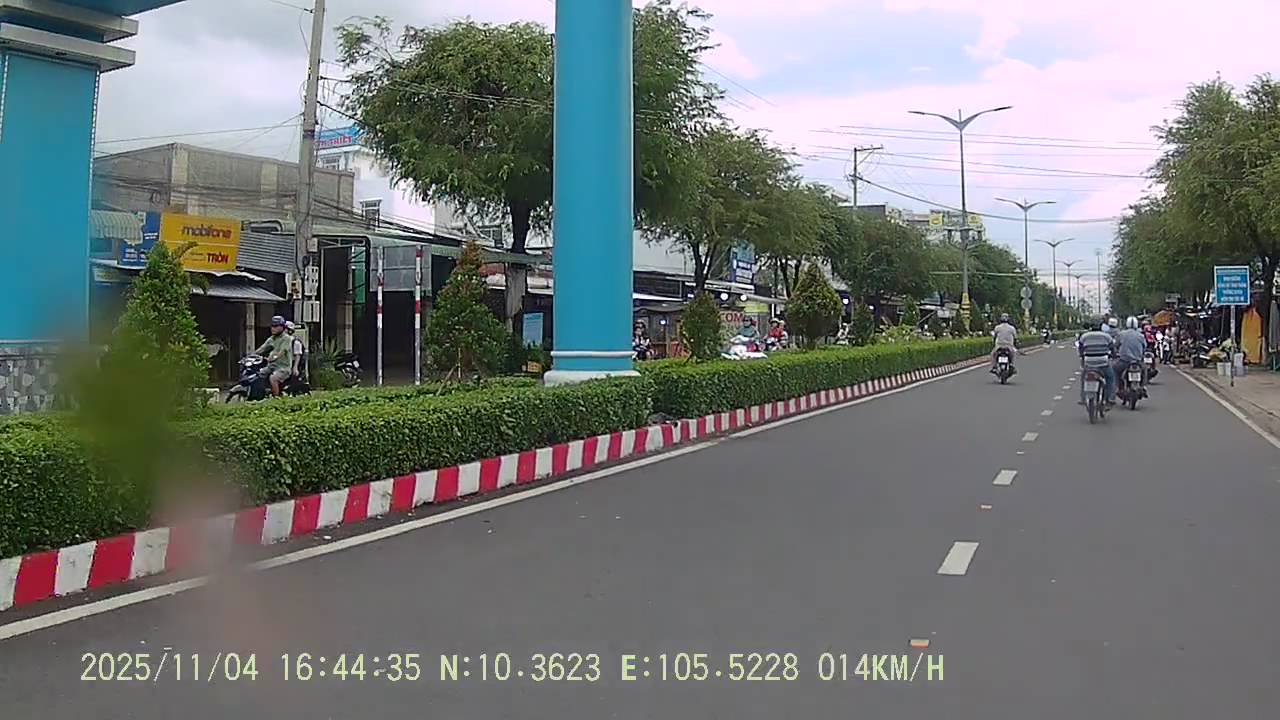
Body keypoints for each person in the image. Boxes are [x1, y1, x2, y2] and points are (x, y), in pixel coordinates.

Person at [1078, 320, 1117, 405]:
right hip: (1103, 363)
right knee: (1110, 378)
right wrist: (1113, 355)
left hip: (1089, 363)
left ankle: (1083, 398)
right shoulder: (1106, 336)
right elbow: (1112, 348)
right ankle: (1109, 399)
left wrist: (1083, 357)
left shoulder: (1084, 336)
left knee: (1083, 378)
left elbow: (1081, 349)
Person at [254, 315, 294, 398]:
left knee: (273, 378)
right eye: (272, 326)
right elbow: (262, 349)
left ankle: (276, 398)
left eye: (276, 326)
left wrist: (275, 357)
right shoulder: (271, 339)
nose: (273, 328)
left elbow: (282, 351)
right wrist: (251, 356)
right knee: (257, 375)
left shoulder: (286, 338)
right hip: (271, 366)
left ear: (282, 327)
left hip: (283, 367)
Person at [1114, 316, 1148, 391]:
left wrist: (1117, 352)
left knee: (1115, 370)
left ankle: (1118, 387)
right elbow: (1144, 347)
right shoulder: (1140, 335)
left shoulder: (1121, 334)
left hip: (1124, 361)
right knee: (1144, 370)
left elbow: (1116, 345)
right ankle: (1143, 386)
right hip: (1137, 361)